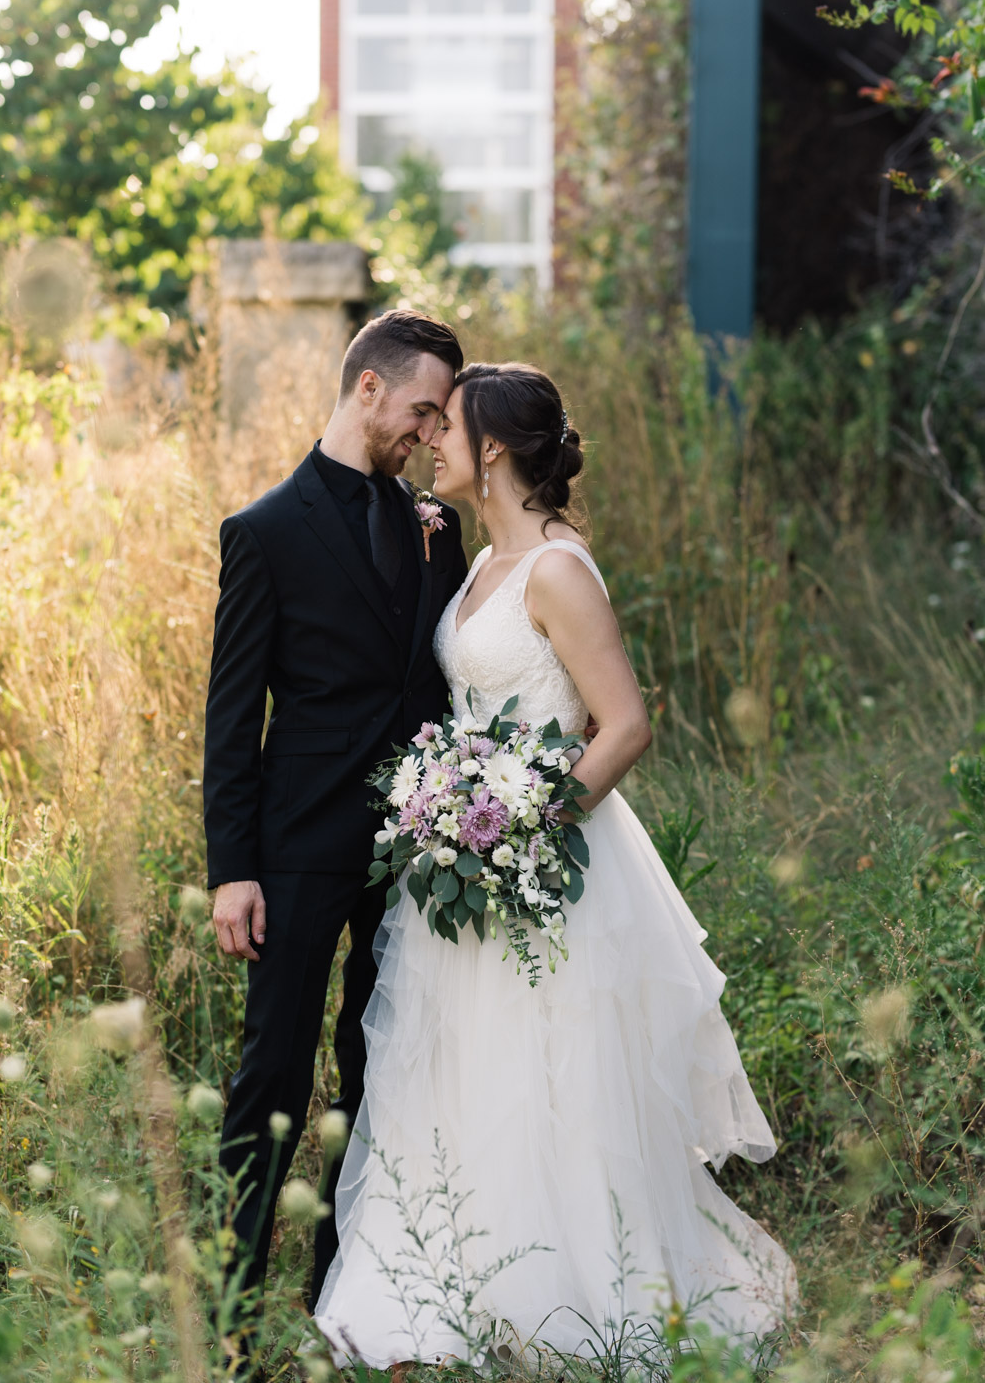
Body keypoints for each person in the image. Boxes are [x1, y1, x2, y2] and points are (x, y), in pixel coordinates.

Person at [314, 361, 798, 1367]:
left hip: (544, 866)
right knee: (459, 1071)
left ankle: (562, 1289)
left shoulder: (557, 570)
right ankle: (452, 1282)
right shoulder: (481, 560)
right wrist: (456, 815)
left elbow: (624, 725)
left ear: (491, 448)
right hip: (466, 860)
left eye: (445, 428)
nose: (430, 443)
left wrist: (527, 827)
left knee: (552, 1077)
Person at [202, 308, 467, 1348]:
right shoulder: (263, 531)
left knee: (375, 1068)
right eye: (421, 409)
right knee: (272, 1072)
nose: (428, 431)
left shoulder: (434, 526)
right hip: (298, 847)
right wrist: (234, 872)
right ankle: (232, 1312)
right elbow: (232, 719)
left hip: (410, 854)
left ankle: (338, 1304)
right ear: (369, 389)